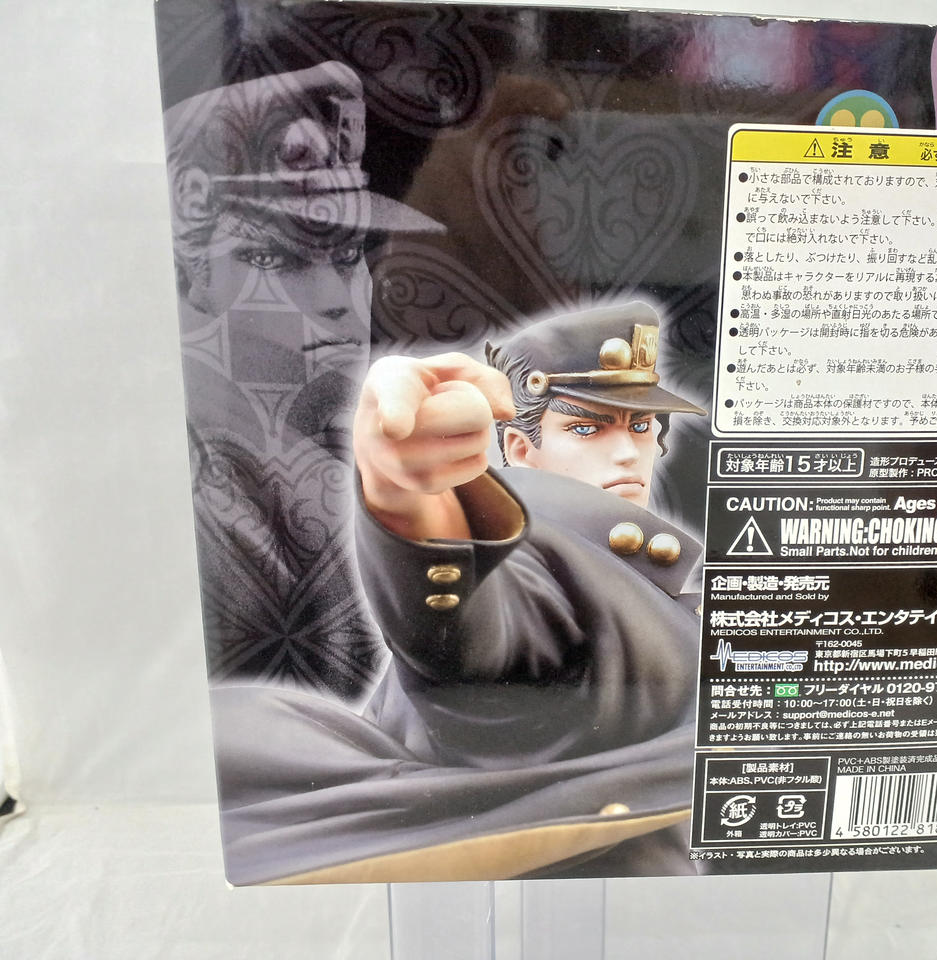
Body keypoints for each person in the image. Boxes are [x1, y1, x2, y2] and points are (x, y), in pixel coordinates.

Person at [211, 301, 710, 883]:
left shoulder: (642, 568)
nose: (627, 452)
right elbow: (473, 629)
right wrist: (413, 504)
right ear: (520, 450)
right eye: (586, 428)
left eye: (641, 427)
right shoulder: (538, 562)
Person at [163, 62, 443, 697]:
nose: (337, 301)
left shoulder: (354, 453)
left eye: (348, 255)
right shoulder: (187, 494)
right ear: (188, 279)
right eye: (275, 259)